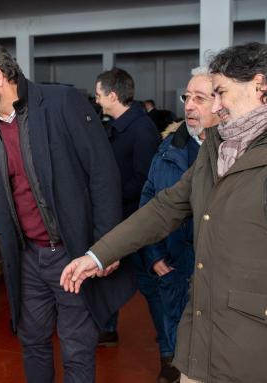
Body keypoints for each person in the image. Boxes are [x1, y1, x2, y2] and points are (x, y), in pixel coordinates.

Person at [61, 42, 267, 383]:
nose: (215, 106)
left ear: (260, 87)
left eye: (221, 93)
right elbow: (163, 207)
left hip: (251, 349)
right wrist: (98, 255)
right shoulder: (216, 147)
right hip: (202, 336)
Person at [0, 37, 135, 383]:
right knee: (33, 341)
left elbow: (103, 175)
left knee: (76, 348)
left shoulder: (61, 103)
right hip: (27, 257)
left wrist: (105, 247)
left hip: (72, 254)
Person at [139, 66, 220, 383]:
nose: (189, 105)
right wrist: (155, 256)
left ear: (220, 102)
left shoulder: (235, 151)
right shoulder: (169, 147)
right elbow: (150, 202)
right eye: (187, 97)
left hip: (216, 270)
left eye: (200, 98)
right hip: (174, 264)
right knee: (175, 326)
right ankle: (172, 364)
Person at [95, 67, 160, 346]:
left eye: (99, 95)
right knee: (108, 276)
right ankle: (108, 329)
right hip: (117, 216)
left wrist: (108, 195)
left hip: (136, 220)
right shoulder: (116, 127)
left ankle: (169, 351)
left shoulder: (142, 129)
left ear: (112, 94)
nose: (96, 101)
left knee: (148, 284)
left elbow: (144, 180)